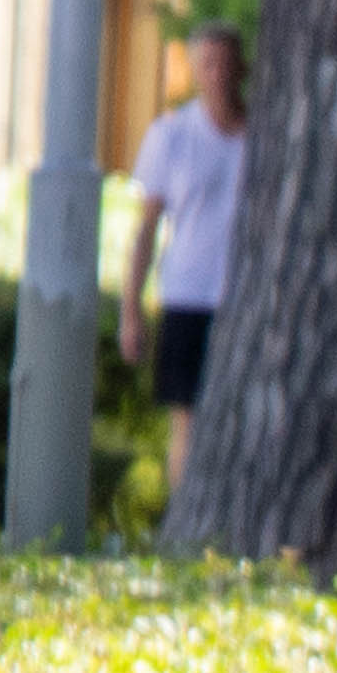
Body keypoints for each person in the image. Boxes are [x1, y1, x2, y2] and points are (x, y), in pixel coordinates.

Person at [120, 26, 249, 415]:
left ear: (242, 68)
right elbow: (146, 228)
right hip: (188, 295)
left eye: (226, 64)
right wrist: (131, 311)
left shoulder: (266, 137)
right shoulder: (172, 135)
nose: (218, 75)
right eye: (208, 65)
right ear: (194, 72)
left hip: (247, 298)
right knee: (188, 419)